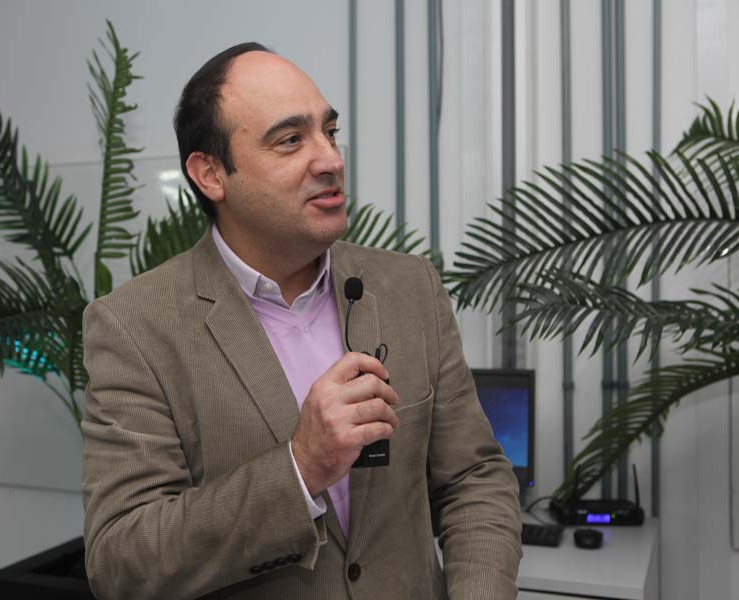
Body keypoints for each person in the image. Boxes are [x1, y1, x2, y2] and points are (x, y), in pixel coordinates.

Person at [81, 42, 522, 600]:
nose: (330, 160)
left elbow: (474, 479)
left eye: (329, 132)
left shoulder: (410, 288)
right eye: (290, 140)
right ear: (210, 174)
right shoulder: (134, 327)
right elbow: (122, 561)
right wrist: (301, 467)